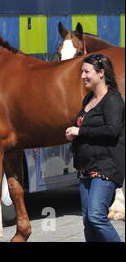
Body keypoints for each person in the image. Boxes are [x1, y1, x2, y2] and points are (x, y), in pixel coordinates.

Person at [65, 53, 125, 242]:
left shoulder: (113, 100)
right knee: (88, 221)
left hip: (105, 167)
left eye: (86, 72)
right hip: (85, 168)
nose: (83, 76)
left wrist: (80, 131)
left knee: (96, 217)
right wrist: (73, 134)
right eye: (82, 72)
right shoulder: (88, 100)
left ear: (101, 73)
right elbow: (86, 128)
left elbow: (112, 130)